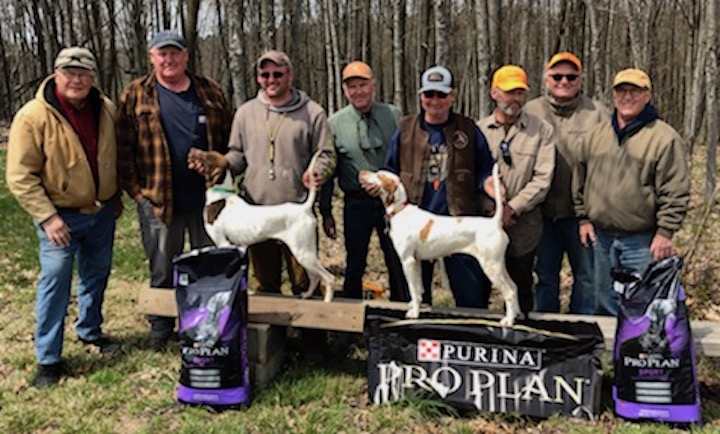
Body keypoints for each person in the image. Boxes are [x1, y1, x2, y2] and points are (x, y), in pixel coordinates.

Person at [6, 47, 121, 387]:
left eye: (84, 73)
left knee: (96, 275)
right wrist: (47, 217)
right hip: (60, 217)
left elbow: (113, 154)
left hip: (100, 214)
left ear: (92, 77)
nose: (76, 79)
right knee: (55, 282)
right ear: (56, 74)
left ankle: (90, 330)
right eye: (69, 72)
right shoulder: (33, 116)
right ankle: (48, 357)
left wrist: (114, 195)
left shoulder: (107, 109)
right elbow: (19, 176)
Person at [116, 30, 232, 350]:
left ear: (185, 56)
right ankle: (161, 327)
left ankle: (207, 325)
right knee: (162, 268)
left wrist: (220, 171)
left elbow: (226, 143)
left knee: (210, 266)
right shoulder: (135, 94)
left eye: (175, 53)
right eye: (162, 53)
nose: (169, 59)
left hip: (208, 201)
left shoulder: (209, 91)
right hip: (158, 200)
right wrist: (138, 193)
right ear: (151, 57)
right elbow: (123, 150)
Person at [189, 50, 335, 296]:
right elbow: (236, 155)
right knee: (264, 287)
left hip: (294, 209)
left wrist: (319, 172)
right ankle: (269, 336)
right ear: (258, 78)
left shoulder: (313, 113)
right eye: (264, 74)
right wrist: (221, 164)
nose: (271, 79)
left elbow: (327, 153)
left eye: (277, 74)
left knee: (303, 280)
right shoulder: (245, 113)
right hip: (253, 211)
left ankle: (310, 335)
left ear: (289, 75)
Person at [573, 68, 689, 316]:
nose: (627, 97)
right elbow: (580, 178)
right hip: (601, 238)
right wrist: (583, 217)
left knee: (644, 306)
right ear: (614, 96)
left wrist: (665, 232)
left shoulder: (663, 138)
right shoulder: (597, 134)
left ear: (647, 95)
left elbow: (675, 190)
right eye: (621, 91)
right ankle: (608, 354)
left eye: (634, 91)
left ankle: (638, 355)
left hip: (642, 241)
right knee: (605, 303)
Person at [383, 65, 494, 308]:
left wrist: (491, 187)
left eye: (441, 95)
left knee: (471, 295)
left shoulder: (468, 129)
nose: (435, 101)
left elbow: (484, 169)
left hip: (457, 221)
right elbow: (390, 169)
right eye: (429, 94)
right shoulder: (405, 128)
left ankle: (469, 338)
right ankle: (413, 339)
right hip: (416, 221)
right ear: (421, 97)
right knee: (411, 291)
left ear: (452, 96)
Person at [524, 52, 608, 314]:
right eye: (557, 76)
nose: (564, 81)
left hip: (581, 216)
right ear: (546, 79)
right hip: (541, 214)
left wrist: (592, 214)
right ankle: (545, 336)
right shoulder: (530, 112)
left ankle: (580, 336)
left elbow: (609, 166)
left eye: (571, 77)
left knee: (587, 278)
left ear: (580, 80)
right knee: (545, 277)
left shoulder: (597, 113)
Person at [319, 61, 408, 301]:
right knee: (355, 263)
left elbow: (406, 159)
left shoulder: (394, 115)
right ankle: (350, 323)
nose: (358, 91)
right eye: (352, 87)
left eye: (363, 85)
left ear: (373, 86)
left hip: (391, 203)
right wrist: (325, 211)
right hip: (356, 203)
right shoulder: (335, 124)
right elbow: (329, 170)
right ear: (345, 91)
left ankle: (401, 316)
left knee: (397, 259)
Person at [477, 65, 555, 315]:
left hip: (524, 226)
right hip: (483, 225)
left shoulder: (541, 130)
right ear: (494, 93)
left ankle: (521, 340)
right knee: (480, 287)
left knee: (520, 286)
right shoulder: (478, 131)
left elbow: (543, 179)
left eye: (520, 93)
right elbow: (470, 177)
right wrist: (491, 209)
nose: (515, 99)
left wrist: (512, 208)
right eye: (509, 92)